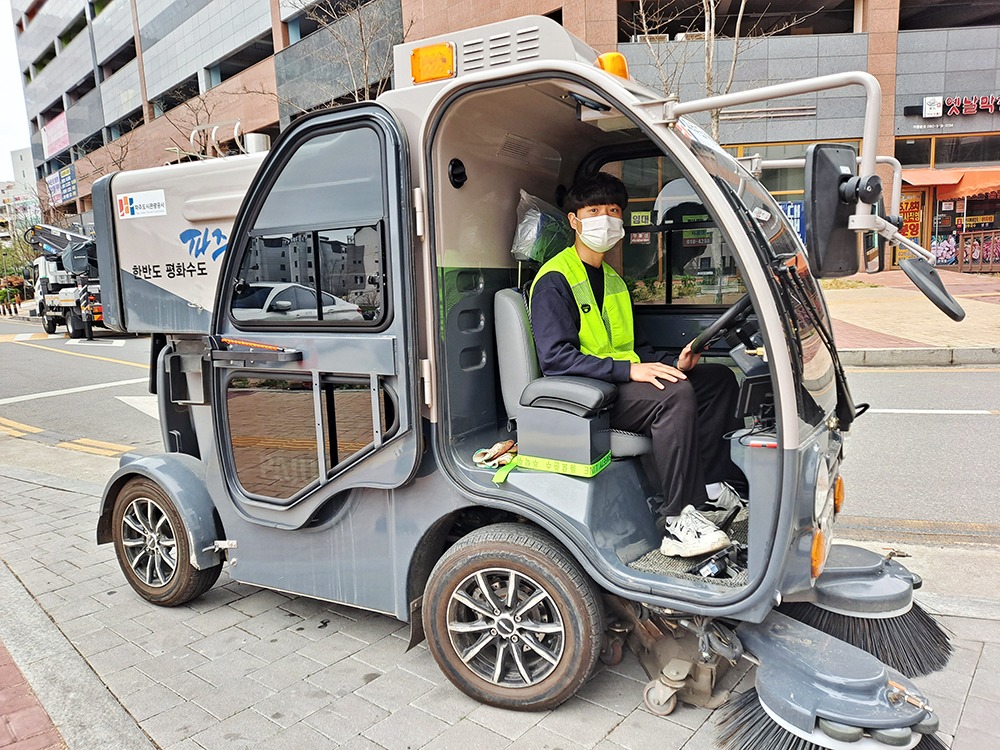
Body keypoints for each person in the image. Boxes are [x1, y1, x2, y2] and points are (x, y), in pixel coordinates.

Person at [529, 173, 745, 558]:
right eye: (593, 210)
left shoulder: (613, 280)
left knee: (716, 378)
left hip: (617, 382)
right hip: (586, 394)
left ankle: (711, 486)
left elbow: (635, 349)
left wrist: (671, 361)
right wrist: (630, 372)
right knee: (674, 395)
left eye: (613, 210)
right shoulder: (554, 281)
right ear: (574, 220)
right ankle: (678, 519)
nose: (606, 219)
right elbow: (555, 358)